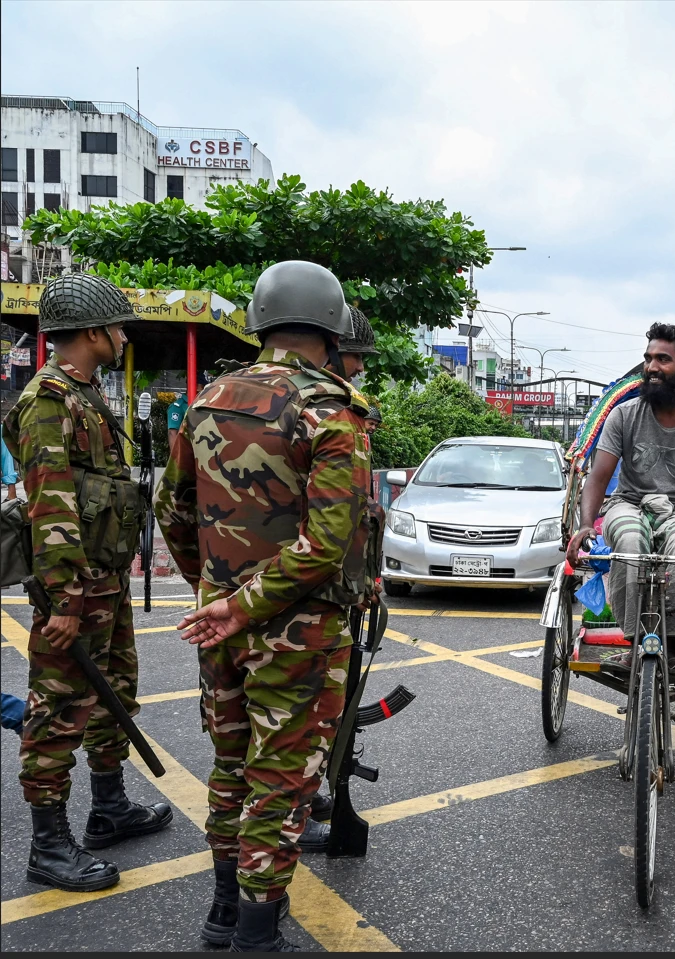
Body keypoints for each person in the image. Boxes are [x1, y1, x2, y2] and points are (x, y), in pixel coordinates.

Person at [155, 260, 372, 951]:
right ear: (333, 326)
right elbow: (327, 542)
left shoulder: (210, 397)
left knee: (230, 765)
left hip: (222, 623)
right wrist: (248, 605)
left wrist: (216, 594)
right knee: (280, 781)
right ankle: (255, 932)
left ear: (261, 320)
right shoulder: (330, 409)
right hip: (299, 631)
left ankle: (223, 912)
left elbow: (171, 508)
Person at [1, 273, 173, 893]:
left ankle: (108, 808)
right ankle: (48, 847)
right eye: (118, 326)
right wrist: (65, 600)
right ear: (94, 331)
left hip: (104, 583)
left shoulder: (85, 394)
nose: (124, 335)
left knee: (115, 693)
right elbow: (50, 506)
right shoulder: (49, 401)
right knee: (57, 711)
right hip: (75, 589)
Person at [565, 323, 675, 671]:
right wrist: (586, 525)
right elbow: (598, 479)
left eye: (663, 359)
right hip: (627, 504)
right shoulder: (623, 415)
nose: (652, 367)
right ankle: (635, 640)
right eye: (648, 359)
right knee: (629, 540)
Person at [297, 302, 383, 854]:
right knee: (298, 723)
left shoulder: (335, 408)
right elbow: (331, 528)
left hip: (325, 591)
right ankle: (294, 809)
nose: (357, 370)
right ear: (331, 348)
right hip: (312, 597)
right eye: (353, 358)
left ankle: (308, 794)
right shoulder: (326, 412)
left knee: (314, 721)